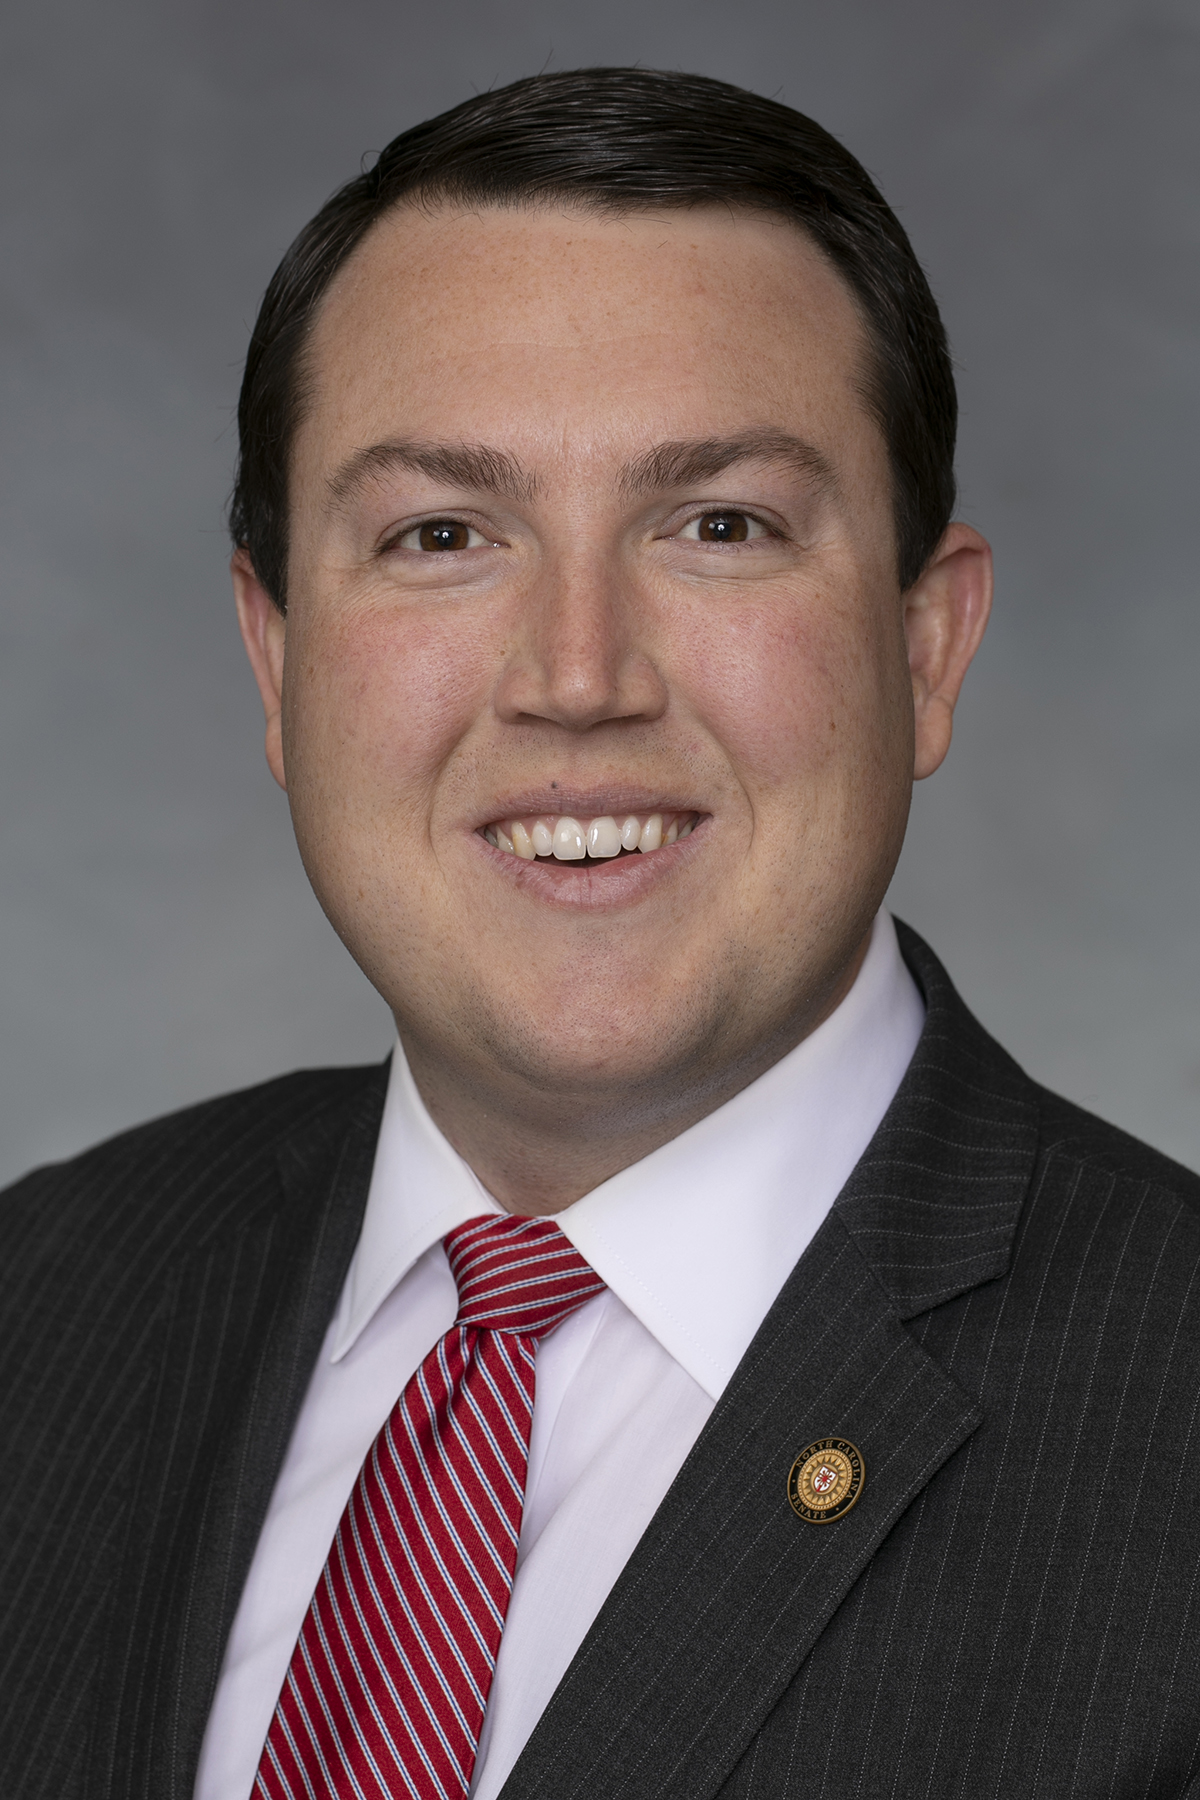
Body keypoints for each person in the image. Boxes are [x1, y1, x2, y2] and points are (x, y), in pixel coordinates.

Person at [1, 66, 1198, 1800]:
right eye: (441, 535)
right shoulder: (45, 1311)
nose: (577, 676)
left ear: (926, 648)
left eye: (718, 527)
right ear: (276, 663)